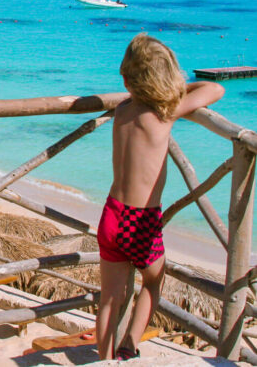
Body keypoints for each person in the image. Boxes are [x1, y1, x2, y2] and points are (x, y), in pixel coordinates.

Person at [96, 33, 224, 361]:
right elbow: (215, 89)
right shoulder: (165, 112)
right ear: (165, 79)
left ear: (127, 80)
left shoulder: (122, 109)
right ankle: (128, 346)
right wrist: (179, 88)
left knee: (109, 299)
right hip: (140, 221)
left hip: (111, 213)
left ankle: (105, 360)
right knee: (153, 282)